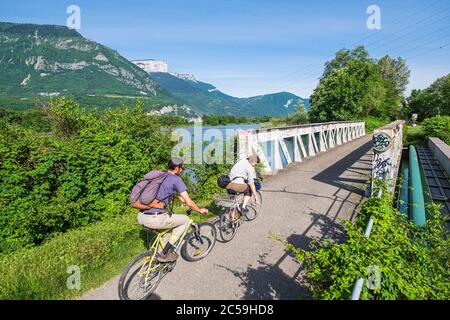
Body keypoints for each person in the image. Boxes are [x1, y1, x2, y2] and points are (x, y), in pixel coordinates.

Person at [136, 157, 208, 263]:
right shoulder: (176, 179)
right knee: (185, 220)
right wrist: (199, 209)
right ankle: (165, 253)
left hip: (142, 216)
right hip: (155, 218)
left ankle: (160, 257)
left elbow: (175, 196)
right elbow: (188, 201)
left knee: (168, 232)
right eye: (182, 168)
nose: (183, 170)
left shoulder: (161, 175)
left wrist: (184, 201)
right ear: (177, 168)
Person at [226, 155, 260, 221]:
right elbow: (251, 183)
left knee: (233, 201)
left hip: (228, 184)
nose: (255, 166)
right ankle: (243, 207)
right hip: (236, 185)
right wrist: (256, 196)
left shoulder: (240, 161)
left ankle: (232, 219)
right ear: (253, 161)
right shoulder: (249, 167)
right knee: (249, 189)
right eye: (255, 164)